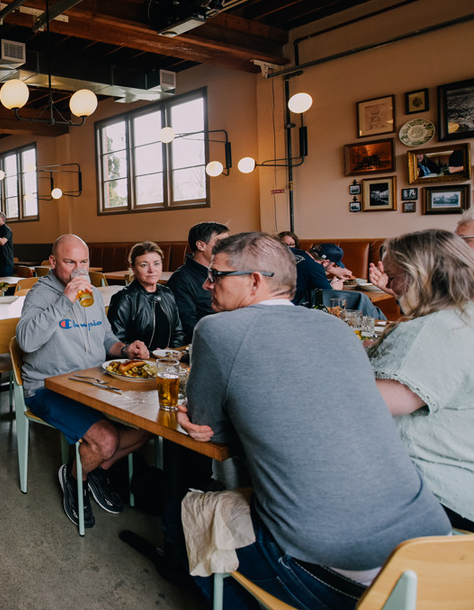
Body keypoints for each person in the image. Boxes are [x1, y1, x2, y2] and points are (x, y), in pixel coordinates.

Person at [173, 232, 451, 610]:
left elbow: (211, 429)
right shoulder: (335, 327)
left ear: (254, 281)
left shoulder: (216, 329)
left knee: (186, 515)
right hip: (434, 545)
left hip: (335, 564)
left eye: (216, 275)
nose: (207, 284)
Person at [17, 234, 152, 529]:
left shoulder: (91, 291)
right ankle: (75, 477)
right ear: (53, 262)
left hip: (91, 383)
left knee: (152, 422)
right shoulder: (40, 294)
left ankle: (95, 467)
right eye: (70, 262)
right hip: (47, 387)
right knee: (107, 439)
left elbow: (105, 337)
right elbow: (26, 341)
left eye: (84, 262)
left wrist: (125, 349)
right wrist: (65, 299)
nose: (78, 270)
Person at [367, 229, 474, 532]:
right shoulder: (463, 315)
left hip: (434, 499)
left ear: (418, 275)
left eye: (393, 277)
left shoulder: (434, 330)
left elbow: (366, 406)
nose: (389, 286)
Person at [107, 241, 184, 351]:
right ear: (133, 267)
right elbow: (116, 341)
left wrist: (171, 350)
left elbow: (178, 332)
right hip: (136, 360)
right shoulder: (124, 298)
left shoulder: (167, 293)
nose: (152, 270)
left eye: (156, 263)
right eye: (144, 265)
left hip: (167, 359)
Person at [166, 221, 228, 339]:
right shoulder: (181, 280)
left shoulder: (223, 272)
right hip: (206, 340)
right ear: (201, 245)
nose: (227, 248)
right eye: (221, 243)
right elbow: (187, 325)